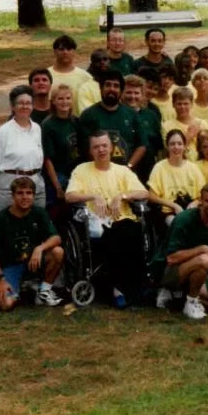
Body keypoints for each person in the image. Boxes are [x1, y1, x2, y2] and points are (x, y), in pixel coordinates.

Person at [65, 130, 150, 307]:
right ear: (91, 151)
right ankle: (118, 288)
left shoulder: (122, 171)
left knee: (131, 230)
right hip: (97, 222)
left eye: (104, 146)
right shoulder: (82, 170)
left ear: (112, 148)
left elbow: (143, 192)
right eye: (96, 147)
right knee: (117, 234)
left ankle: (135, 285)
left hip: (124, 220)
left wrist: (122, 196)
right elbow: (69, 196)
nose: (101, 150)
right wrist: (93, 197)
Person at [151, 182, 208, 320]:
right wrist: (202, 249)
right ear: (200, 201)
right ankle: (189, 301)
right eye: (207, 201)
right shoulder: (184, 219)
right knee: (204, 259)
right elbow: (171, 258)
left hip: (199, 272)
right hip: (169, 270)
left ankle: (179, 299)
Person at [0, 177, 64, 310]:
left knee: (57, 252)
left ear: (33, 195)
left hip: (33, 261)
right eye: (20, 193)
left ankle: (43, 291)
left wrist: (40, 248)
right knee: (5, 304)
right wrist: (0, 279)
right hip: (9, 266)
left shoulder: (39, 213)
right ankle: (19, 290)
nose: (25, 197)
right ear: (13, 196)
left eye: (28, 193)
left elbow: (56, 238)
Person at [0, 86, 45, 211]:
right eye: (21, 103)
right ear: (13, 107)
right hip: (10, 185)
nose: (25, 106)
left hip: (35, 182)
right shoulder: (3, 132)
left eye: (28, 103)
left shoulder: (37, 129)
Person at [78, 69, 146, 169]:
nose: (112, 89)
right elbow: (84, 148)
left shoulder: (132, 115)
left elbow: (142, 145)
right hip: (97, 171)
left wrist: (128, 167)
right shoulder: (88, 115)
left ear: (121, 91)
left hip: (126, 173)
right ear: (101, 88)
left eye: (116, 86)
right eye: (108, 85)